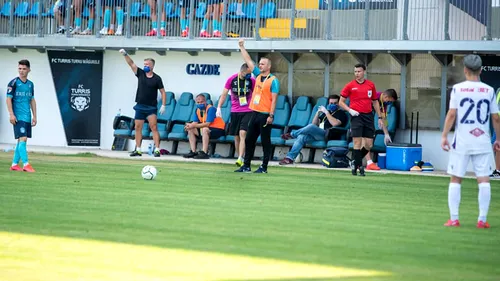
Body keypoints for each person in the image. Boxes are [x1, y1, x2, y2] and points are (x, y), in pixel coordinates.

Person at [441, 55, 500, 229]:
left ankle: (454, 218)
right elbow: (495, 118)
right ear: (481, 70)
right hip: (481, 139)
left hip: (463, 140)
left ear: (465, 70)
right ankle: (482, 219)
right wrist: (498, 138)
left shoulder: (458, 89)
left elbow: (452, 114)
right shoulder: (489, 90)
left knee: (456, 178)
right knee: (483, 180)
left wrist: (444, 135)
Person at [234, 38, 280, 174]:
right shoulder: (258, 76)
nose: (260, 66)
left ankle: (264, 167)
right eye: (259, 64)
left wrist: (271, 115)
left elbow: (274, 99)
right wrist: (242, 47)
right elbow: (248, 61)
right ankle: (246, 165)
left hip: (265, 115)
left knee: (265, 141)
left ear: (269, 66)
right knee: (249, 139)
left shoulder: (273, 80)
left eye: (263, 64)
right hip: (254, 112)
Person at [339, 63, 388, 176]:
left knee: (369, 144)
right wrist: (350, 110)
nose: (357, 74)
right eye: (355, 72)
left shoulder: (370, 85)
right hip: (356, 116)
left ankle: (354, 162)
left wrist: (380, 117)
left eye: (359, 71)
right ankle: (360, 166)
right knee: (357, 142)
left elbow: (375, 101)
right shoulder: (350, 85)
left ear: (364, 72)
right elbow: (341, 102)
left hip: (368, 116)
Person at [119, 49, 167, 157]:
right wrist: (125, 54)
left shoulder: (157, 78)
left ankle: (157, 150)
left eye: (147, 64)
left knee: (154, 127)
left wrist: (163, 105)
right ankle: (138, 150)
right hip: (140, 106)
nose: (145, 65)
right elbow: (131, 64)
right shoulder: (140, 73)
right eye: (144, 64)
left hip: (151, 107)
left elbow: (163, 92)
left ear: (152, 66)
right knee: (137, 127)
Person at [279, 94, 348, 165]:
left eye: (335, 103)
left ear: (338, 104)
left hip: (329, 135)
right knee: (301, 137)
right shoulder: (326, 113)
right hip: (319, 134)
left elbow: (335, 124)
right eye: (331, 103)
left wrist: (326, 112)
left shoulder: (341, 113)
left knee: (310, 127)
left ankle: (292, 134)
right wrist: (317, 113)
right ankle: (289, 158)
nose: (332, 105)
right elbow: (314, 124)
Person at [217, 63, 255, 167]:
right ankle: (240, 157)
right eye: (247, 73)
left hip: (248, 110)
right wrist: (219, 107)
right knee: (237, 136)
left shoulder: (252, 80)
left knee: (243, 133)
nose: (249, 75)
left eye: (250, 73)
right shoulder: (232, 79)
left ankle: (241, 157)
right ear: (242, 71)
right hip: (235, 110)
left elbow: (257, 93)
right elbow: (224, 94)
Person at [7, 59, 37, 172]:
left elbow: (32, 100)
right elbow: (8, 99)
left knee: (21, 141)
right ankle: (26, 164)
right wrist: (11, 114)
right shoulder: (13, 83)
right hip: (18, 117)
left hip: (27, 116)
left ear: (29, 70)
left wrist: (35, 116)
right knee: (23, 138)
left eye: (24, 69)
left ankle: (14, 164)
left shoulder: (30, 84)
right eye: (20, 68)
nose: (21, 71)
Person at [183, 94, 226, 159]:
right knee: (191, 129)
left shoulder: (211, 109)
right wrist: (189, 126)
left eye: (202, 102)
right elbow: (195, 122)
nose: (200, 104)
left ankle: (204, 152)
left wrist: (193, 125)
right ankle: (193, 151)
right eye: (198, 102)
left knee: (205, 129)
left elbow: (207, 124)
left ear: (205, 101)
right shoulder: (197, 110)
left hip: (218, 130)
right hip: (207, 130)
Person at [364, 89, 398, 170]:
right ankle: (368, 162)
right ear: (386, 97)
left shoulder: (384, 104)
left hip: (368, 119)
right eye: (390, 101)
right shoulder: (374, 97)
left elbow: (384, 118)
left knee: (368, 143)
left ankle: (368, 162)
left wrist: (386, 134)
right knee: (364, 140)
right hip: (362, 116)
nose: (390, 103)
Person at [490, 89, 500, 178]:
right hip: (497, 121)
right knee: (495, 145)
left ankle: (498, 170)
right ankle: (497, 170)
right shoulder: (498, 90)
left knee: (497, 146)